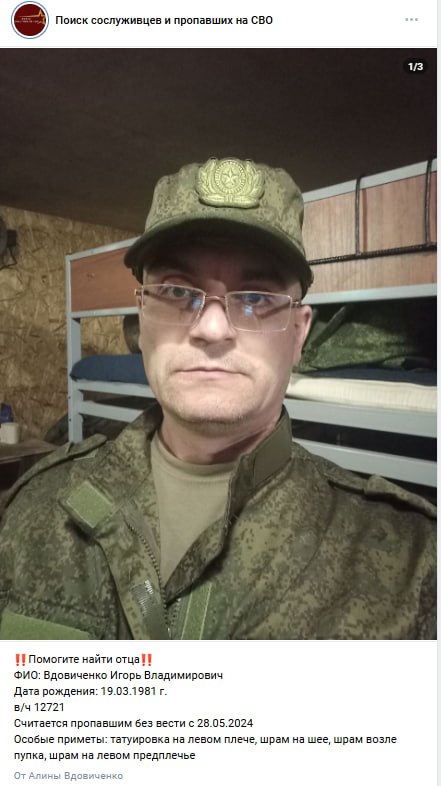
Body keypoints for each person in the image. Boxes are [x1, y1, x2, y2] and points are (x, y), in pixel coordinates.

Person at [0, 157, 436, 640]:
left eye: (255, 298)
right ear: (142, 322)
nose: (211, 329)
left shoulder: (411, 566)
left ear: (298, 334)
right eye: (176, 291)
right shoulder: (35, 508)